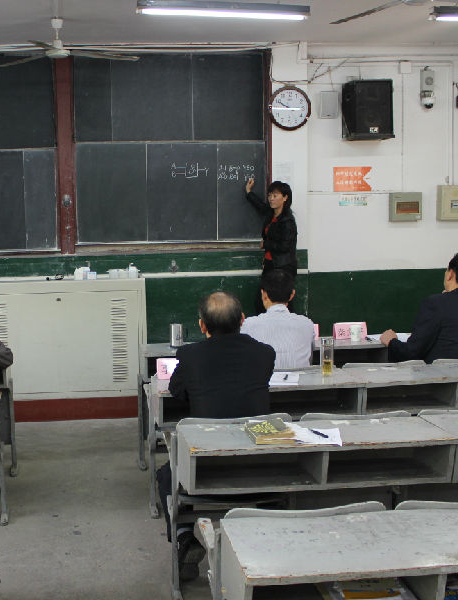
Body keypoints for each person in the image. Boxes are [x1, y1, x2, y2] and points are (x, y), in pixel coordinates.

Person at [158, 291, 277, 580]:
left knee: (165, 475)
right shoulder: (265, 354)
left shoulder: (190, 356)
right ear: (242, 320)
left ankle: (185, 535)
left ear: (202, 326)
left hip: (204, 474)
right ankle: (267, 526)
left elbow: (176, 390)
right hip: (263, 470)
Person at [380, 251, 458, 363]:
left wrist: (391, 341)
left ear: (451, 274)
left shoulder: (435, 304)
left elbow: (411, 352)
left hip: (440, 375)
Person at [241, 270, 315, 368]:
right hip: (300, 378)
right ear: (292, 295)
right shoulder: (307, 324)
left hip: (264, 378)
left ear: (264, 295)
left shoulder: (247, 325)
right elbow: (310, 358)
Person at [244, 177, 298, 277]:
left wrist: (265, 244)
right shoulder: (271, 214)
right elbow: (260, 205)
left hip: (283, 268)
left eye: (275, 195)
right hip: (271, 264)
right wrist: (248, 192)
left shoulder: (287, 221)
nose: (271, 198)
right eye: (269, 195)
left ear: (285, 198)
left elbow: (285, 246)